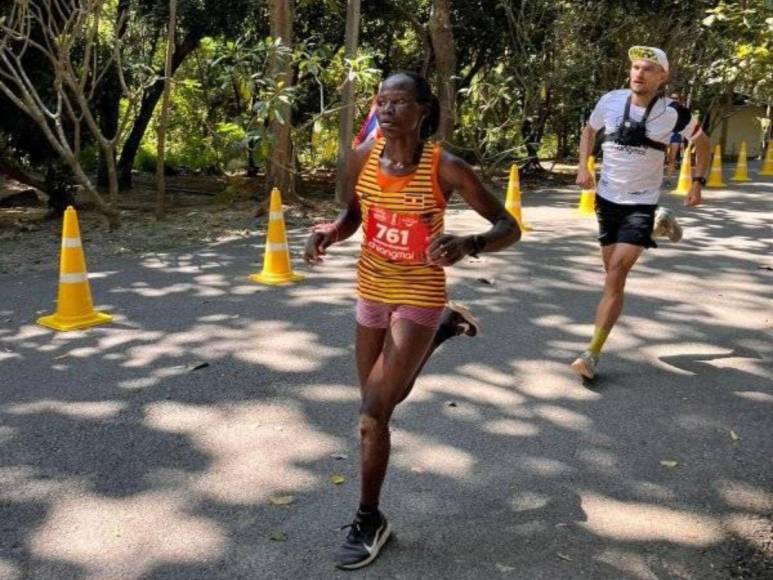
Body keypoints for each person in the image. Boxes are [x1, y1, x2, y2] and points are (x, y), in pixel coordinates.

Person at [304, 71, 520, 570]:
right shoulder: (361, 157)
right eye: (382, 100)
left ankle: (369, 518)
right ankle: (444, 330)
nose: (387, 109)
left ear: (423, 110)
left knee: (371, 415)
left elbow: (509, 226)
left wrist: (471, 245)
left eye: (400, 102)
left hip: (419, 290)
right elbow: (355, 215)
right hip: (370, 289)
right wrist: (329, 235)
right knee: (383, 402)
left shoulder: (446, 167)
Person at [571, 46, 710, 380]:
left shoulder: (673, 112)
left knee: (616, 272)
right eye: (635, 67)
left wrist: (697, 182)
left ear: (662, 77)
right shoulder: (610, 101)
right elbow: (589, 131)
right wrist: (582, 167)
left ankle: (591, 354)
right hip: (607, 199)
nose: (639, 73)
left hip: (641, 201)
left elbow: (702, 142)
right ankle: (658, 224)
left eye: (648, 69)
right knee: (610, 272)